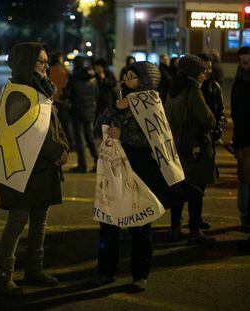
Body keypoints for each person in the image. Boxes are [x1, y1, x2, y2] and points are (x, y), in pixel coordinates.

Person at [0, 42, 69, 296]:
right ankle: (4, 276)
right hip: (23, 169)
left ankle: (34, 270)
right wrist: (57, 151)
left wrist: (63, 146)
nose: (46, 66)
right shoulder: (18, 93)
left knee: (41, 221)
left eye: (46, 61)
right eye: (41, 62)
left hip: (43, 169)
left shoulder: (41, 90)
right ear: (26, 64)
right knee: (17, 221)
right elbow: (27, 131)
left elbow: (53, 124)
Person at [94, 61, 166, 291]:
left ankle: (140, 274)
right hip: (114, 170)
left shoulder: (153, 105)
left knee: (140, 225)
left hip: (140, 172)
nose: (126, 79)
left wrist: (122, 133)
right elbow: (99, 123)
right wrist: (117, 107)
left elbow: (154, 139)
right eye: (126, 75)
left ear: (145, 80)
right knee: (108, 222)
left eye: (132, 76)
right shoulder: (120, 98)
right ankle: (106, 271)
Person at [165, 55, 216, 244]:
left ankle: (175, 228)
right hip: (193, 147)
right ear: (195, 73)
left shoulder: (173, 89)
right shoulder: (192, 89)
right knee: (196, 190)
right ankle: (195, 230)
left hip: (176, 145)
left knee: (179, 189)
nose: (205, 75)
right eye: (203, 72)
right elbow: (207, 117)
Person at [197, 53, 226, 230]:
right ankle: (176, 224)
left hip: (208, 141)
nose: (208, 71)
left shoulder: (214, 87)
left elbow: (220, 112)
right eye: (204, 68)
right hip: (192, 143)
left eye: (209, 67)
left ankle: (196, 220)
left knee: (202, 183)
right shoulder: (191, 89)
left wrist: (217, 131)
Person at [66, 56, 99, 173]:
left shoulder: (74, 78)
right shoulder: (93, 78)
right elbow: (96, 95)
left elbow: (67, 94)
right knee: (90, 137)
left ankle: (82, 165)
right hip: (90, 111)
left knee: (79, 139)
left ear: (75, 64)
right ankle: (98, 162)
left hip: (77, 111)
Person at [231, 46, 250, 235]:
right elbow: (238, 117)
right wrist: (238, 144)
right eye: (244, 62)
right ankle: (245, 216)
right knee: (245, 181)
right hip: (246, 141)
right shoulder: (239, 85)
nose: (248, 66)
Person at [49, 51, 74, 150]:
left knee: (53, 126)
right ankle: (69, 145)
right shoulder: (65, 71)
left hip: (51, 102)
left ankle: (55, 145)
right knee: (66, 125)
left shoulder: (48, 71)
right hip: (63, 102)